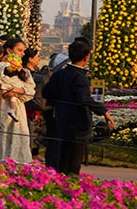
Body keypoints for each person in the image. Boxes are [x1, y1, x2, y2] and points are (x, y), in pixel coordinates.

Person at [43, 39, 110, 175]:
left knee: (62, 160)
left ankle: (60, 182)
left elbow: (46, 92)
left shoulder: (59, 74)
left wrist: (59, 102)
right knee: (74, 162)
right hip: (77, 125)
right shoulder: (80, 78)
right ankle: (71, 184)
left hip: (60, 121)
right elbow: (83, 98)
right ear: (86, 58)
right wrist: (104, 111)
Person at [0, 52, 35, 164]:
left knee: (17, 135)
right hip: (0, 108)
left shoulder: (25, 73)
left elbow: (31, 91)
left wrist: (18, 90)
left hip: (18, 109)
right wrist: (4, 92)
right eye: (19, 50)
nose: (22, 53)